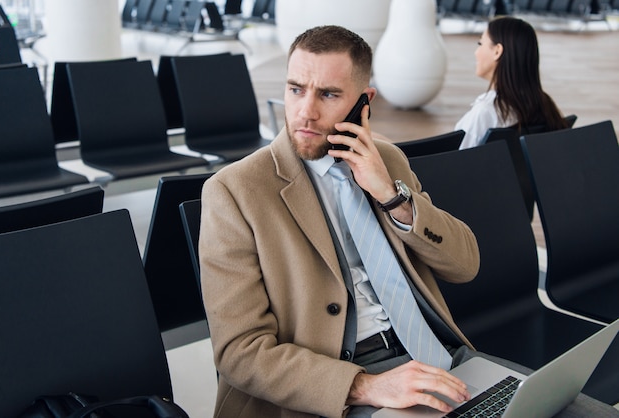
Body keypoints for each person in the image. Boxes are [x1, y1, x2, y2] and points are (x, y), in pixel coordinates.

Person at [199, 25, 616, 418]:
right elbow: (240, 352)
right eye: (295, 89)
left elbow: (465, 264)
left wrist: (393, 197)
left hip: (436, 357)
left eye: (327, 94)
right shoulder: (235, 191)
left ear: (365, 102)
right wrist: (366, 386)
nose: (305, 112)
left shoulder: (389, 161)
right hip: (335, 386)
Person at [456, 16, 568, 149]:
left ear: (497, 51)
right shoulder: (545, 104)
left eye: (480, 44)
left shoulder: (486, 112)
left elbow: (458, 163)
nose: (476, 52)